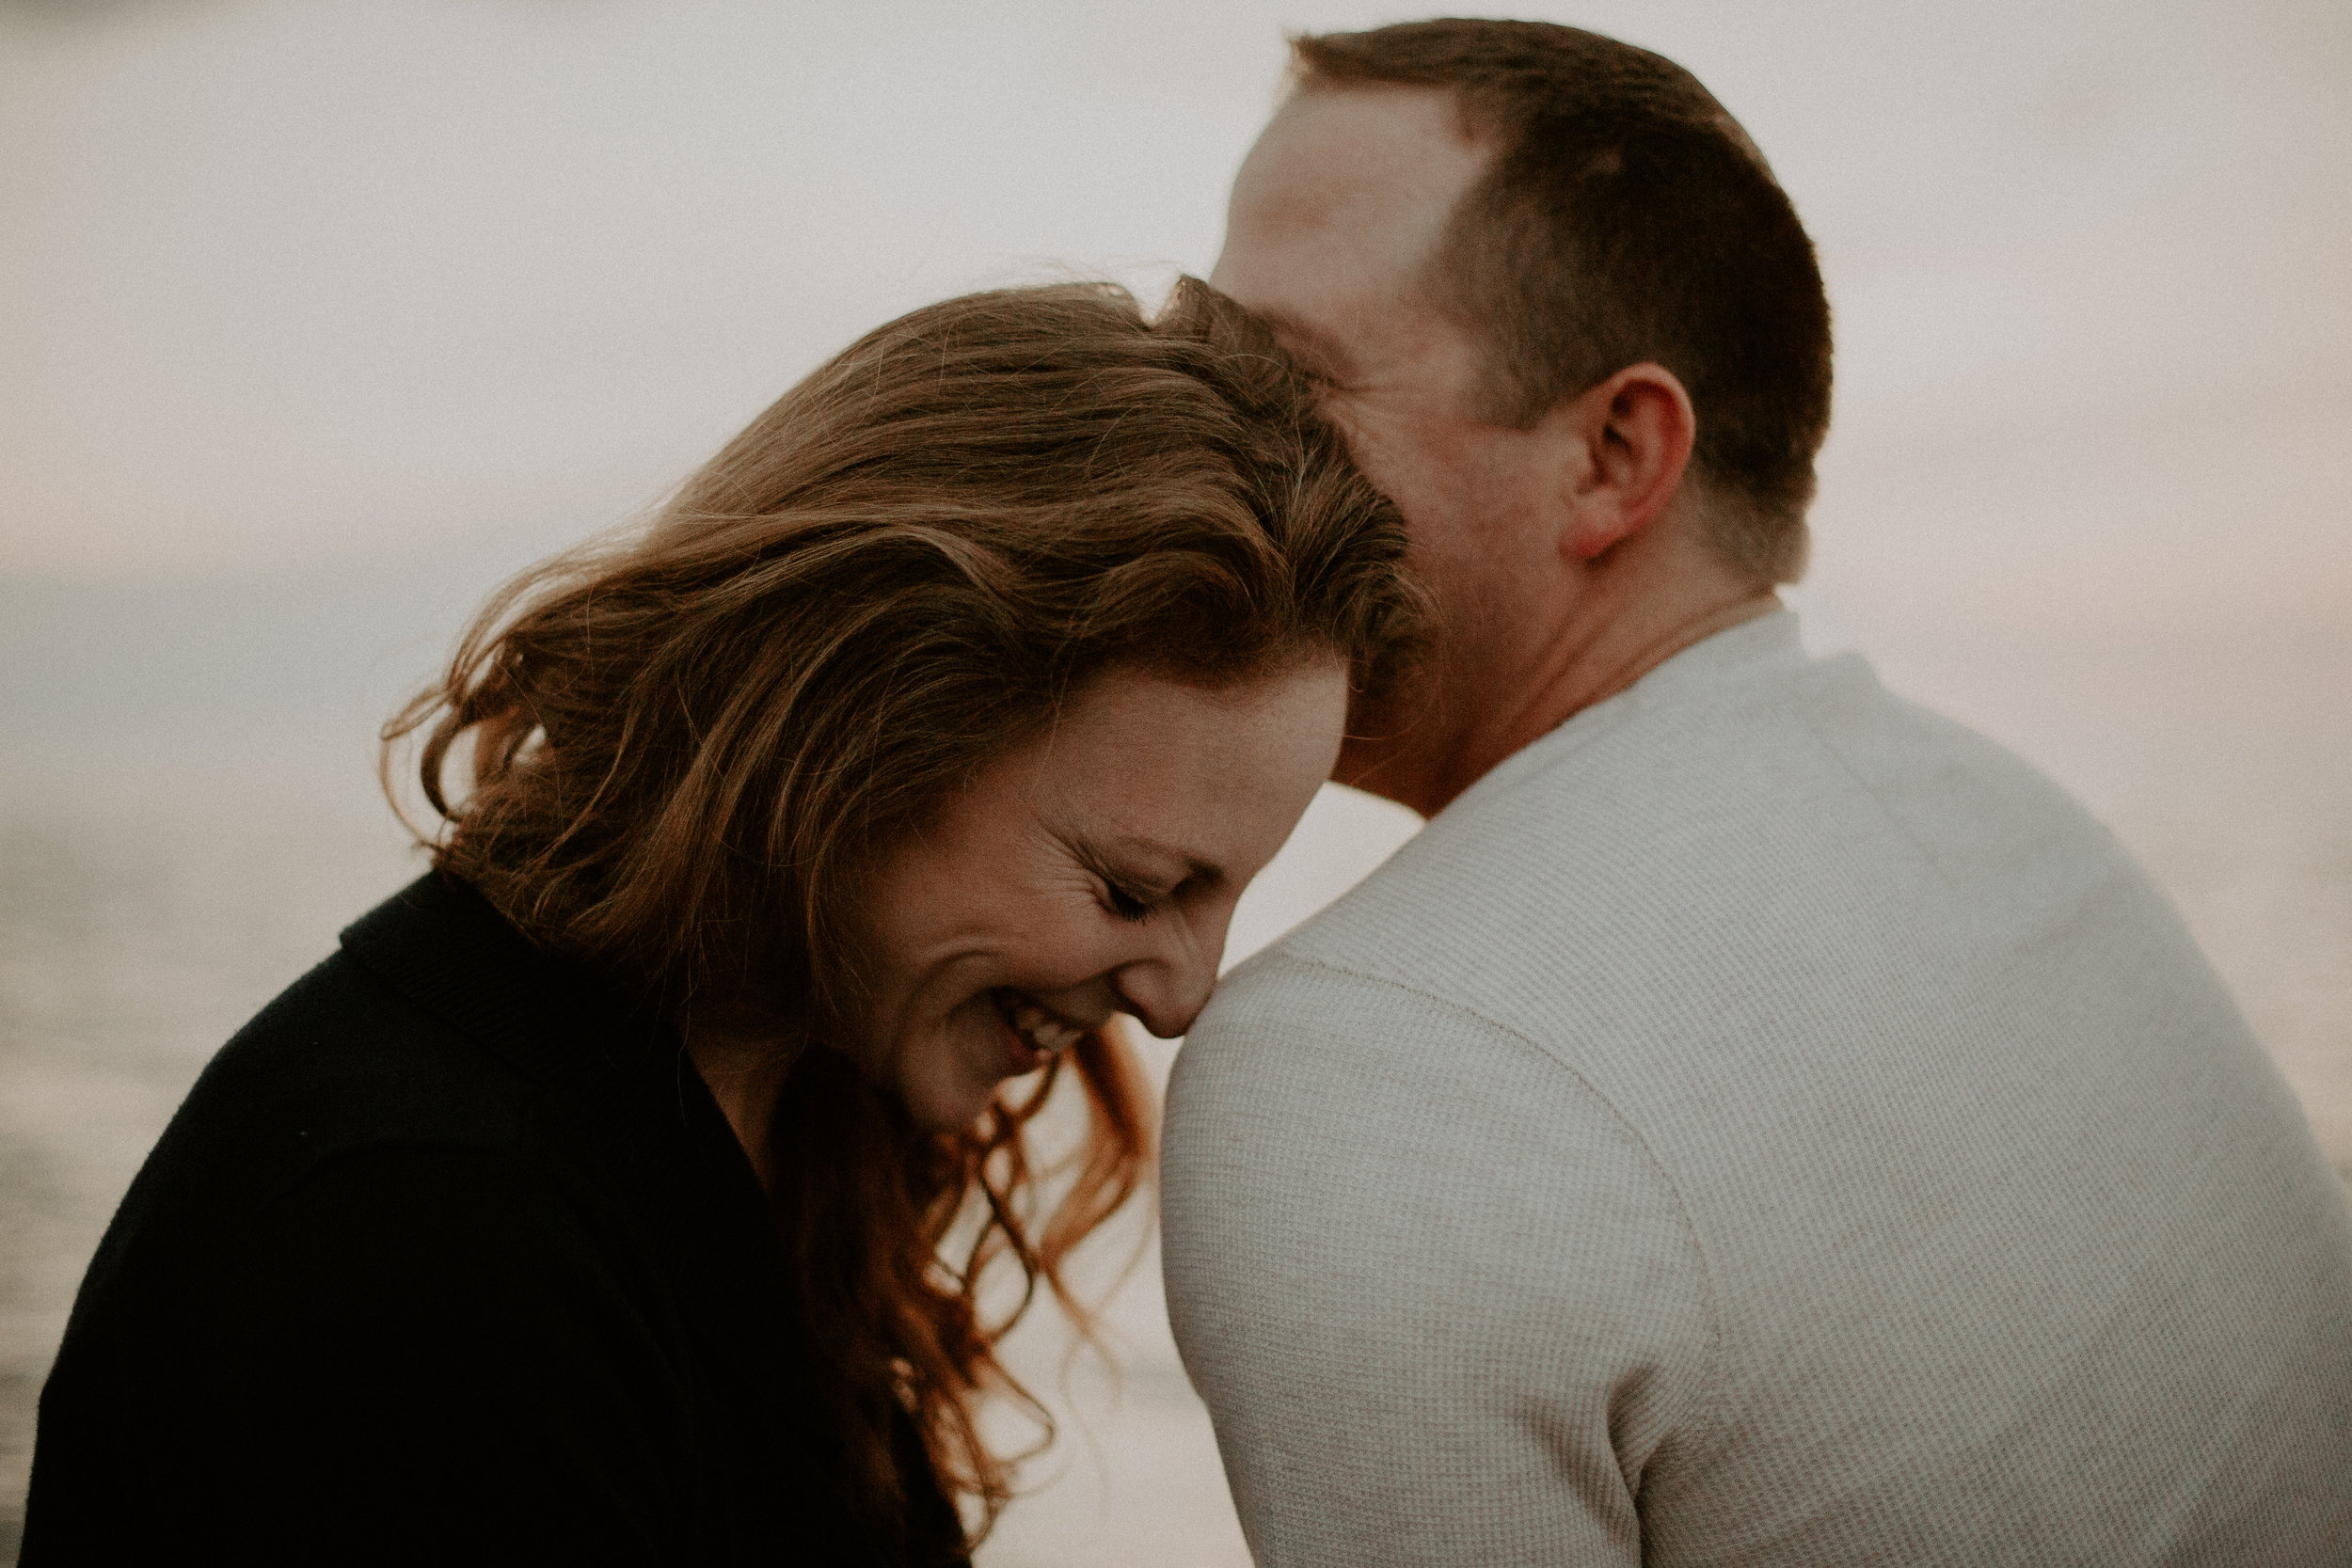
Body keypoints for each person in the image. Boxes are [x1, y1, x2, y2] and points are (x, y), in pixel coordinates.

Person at [1161, 20, 2352, 1564]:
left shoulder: (1368, 1064)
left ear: (1613, 454)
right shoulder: (2017, 833)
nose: (1194, 443)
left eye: (1277, 381)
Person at [22, 278, 1421, 1565]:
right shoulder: (427, 1238)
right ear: (854, 733)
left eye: (1229, 896)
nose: (1183, 996)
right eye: (1132, 888)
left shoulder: (776, 1114)